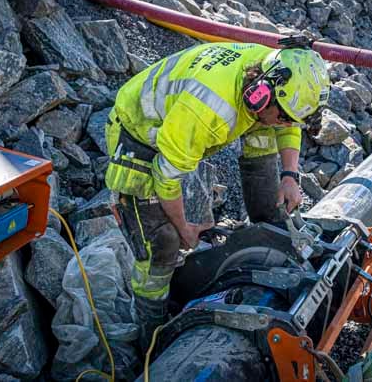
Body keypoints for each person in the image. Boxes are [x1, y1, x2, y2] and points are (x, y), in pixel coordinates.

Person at [103, 42, 331, 347]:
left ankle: (271, 237)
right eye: (283, 117)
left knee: (267, 190)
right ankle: (151, 335)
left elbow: (288, 124)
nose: (286, 125)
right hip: (138, 134)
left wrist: (289, 175)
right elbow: (166, 177)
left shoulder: (271, 72)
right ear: (260, 96)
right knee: (162, 244)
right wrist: (183, 227)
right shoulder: (208, 108)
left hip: (189, 124)